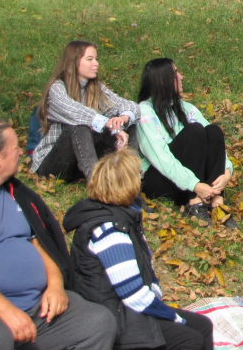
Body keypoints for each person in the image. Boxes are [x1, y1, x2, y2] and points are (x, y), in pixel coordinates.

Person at [0, 117, 116, 350]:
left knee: (97, 322)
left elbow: (42, 247)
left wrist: (55, 286)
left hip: (37, 308)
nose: (22, 153)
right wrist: (6, 311)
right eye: (15, 148)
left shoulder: (18, 195)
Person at [63, 149, 214, 350]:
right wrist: (172, 316)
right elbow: (132, 295)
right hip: (116, 317)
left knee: (203, 326)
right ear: (126, 184)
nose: (141, 178)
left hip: (127, 309)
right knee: (188, 340)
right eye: (137, 175)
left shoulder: (124, 216)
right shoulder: (110, 231)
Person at [136, 58, 235, 227]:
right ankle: (195, 203)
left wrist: (226, 173)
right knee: (194, 131)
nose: (181, 77)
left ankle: (217, 201)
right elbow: (161, 158)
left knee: (213, 131)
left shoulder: (186, 108)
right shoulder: (144, 112)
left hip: (188, 179)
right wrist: (195, 185)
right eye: (175, 73)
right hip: (159, 179)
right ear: (162, 80)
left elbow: (214, 143)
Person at [32, 40, 140, 180]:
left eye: (96, 59)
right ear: (74, 62)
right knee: (79, 126)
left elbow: (129, 106)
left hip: (80, 164)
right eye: (90, 59)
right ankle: (96, 182)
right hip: (52, 165)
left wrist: (122, 119)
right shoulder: (57, 88)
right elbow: (76, 112)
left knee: (128, 122)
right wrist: (108, 123)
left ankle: (131, 179)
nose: (96, 63)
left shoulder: (96, 88)